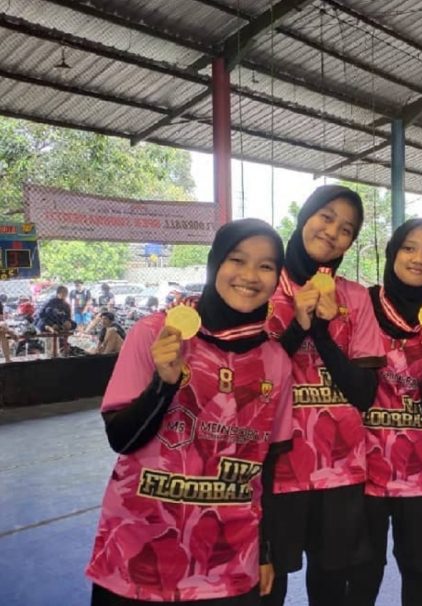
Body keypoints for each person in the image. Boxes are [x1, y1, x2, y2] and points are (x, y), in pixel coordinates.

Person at [85, 219, 294, 604]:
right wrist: (163, 384)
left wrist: (265, 551)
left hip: (229, 563)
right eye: (237, 260)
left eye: (266, 266)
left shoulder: (276, 360)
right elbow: (121, 439)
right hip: (136, 556)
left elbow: (268, 469)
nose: (250, 275)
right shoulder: (156, 333)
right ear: (215, 263)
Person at [264, 185, 386, 606]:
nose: (333, 232)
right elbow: (255, 384)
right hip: (273, 466)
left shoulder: (356, 297)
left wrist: (320, 329)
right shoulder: (264, 287)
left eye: (346, 229)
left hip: (339, 468)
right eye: (326, 217)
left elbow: (364, 393)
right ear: (306, 217)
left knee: (331, 583)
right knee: (268, 583)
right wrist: (297, 325)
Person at [348, 218, 422, 606]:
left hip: (421, 469)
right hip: (363, 467)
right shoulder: (361, 306)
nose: (419, 259)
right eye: (410, 248)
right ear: (393, 252)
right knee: (362, 572)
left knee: (418, 570)